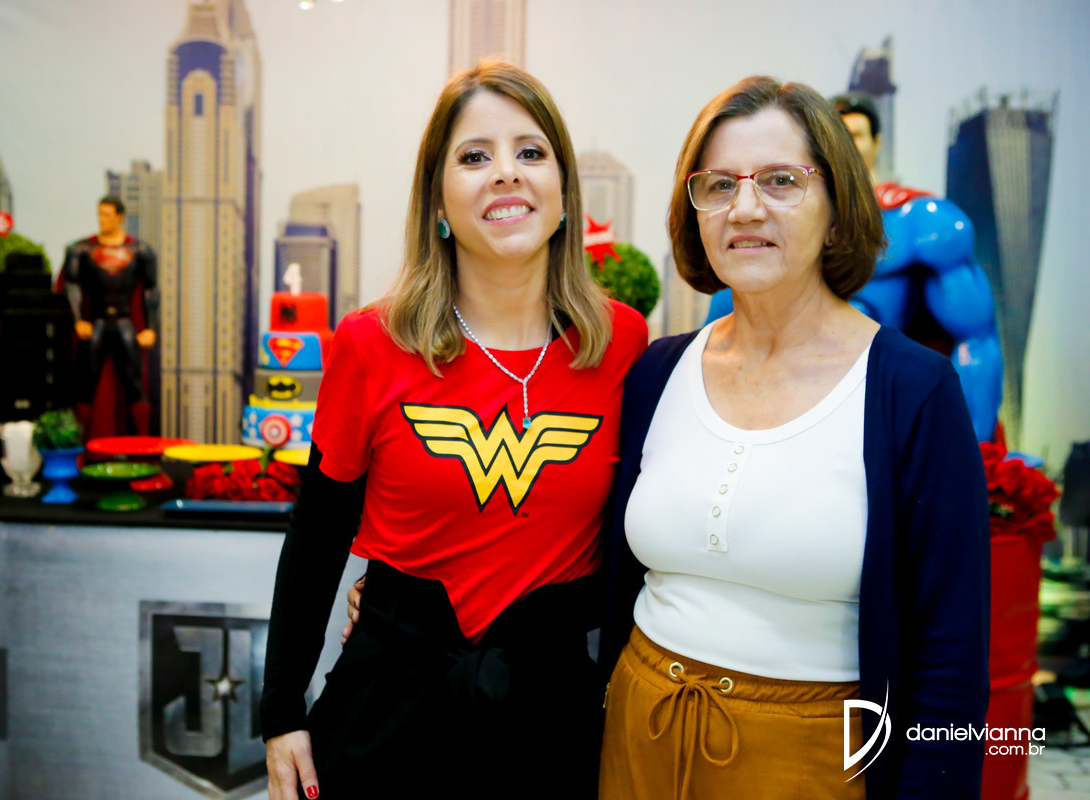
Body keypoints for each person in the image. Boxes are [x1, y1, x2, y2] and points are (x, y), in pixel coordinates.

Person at [260, 60, 648, 800]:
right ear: (437, 202)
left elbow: (638, 542)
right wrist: (281, 713)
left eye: (530, 152)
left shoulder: (624, 345)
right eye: (474, 156)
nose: (506, 172)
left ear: (564, 195)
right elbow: (317, 533)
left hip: (551, 719)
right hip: (386, 712)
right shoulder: (370, 343)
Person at [598, 77, 990, 798]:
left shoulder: (913, 390)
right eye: (719, 184)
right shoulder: (657, 371)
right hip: (638, 736)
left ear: (838, 212)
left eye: (781, 180)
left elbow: (953, 657)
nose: (745, 208)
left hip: (816, 759)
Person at [708, 91, 1003, 442]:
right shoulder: (767, 227)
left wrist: (975, 449)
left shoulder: (922, 224)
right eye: (833, 137)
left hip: (886, 398)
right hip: (780, 397)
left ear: (876, 143)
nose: (844, 146)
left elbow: (975, 337)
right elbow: (721, 338)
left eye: (855, 135)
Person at [61, 195, 158, 436]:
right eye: (100, 214)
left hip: (125, 323)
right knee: (85, 385)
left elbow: (150, 289)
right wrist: (78, 321)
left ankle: (141, 442)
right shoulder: (82, 249)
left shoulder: (140, 250)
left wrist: (150, 327)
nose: (102, 219)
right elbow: (71, 285)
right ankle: (80, 442)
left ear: (120, 217)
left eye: (107, 214)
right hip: (96, 322)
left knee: (135, 385)